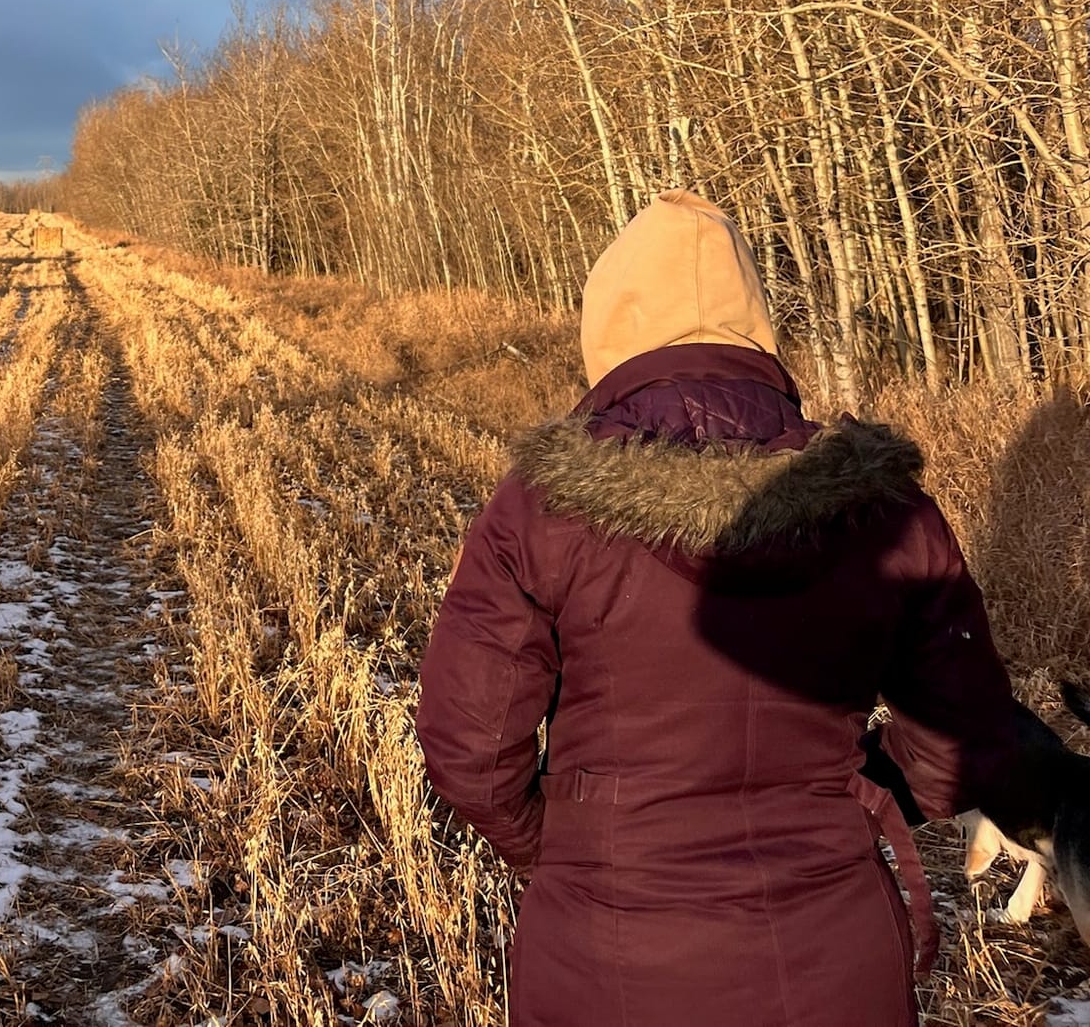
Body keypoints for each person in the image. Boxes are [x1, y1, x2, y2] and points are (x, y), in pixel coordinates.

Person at [415, 190, 1018, 1026]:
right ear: (758, 325)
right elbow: (966, 734)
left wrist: (561, 844)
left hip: (605, 962)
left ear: (610, 327)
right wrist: (869, 789)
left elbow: (469, 748)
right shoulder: (884, 508)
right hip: (835, 957)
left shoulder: (543, 506)